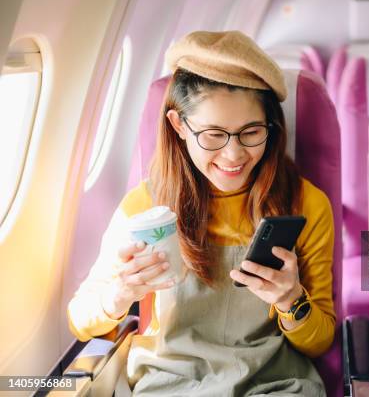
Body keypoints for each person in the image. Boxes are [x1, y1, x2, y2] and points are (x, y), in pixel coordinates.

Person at [67, 31, 335, 396]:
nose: (233, 155)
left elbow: (318, 342)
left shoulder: (307, 204)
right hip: (171, 381)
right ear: (179, 126)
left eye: (251, 133)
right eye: (213, 135)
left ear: (271, 129)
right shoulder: (147, 206)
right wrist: (118, 294)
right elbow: (80, 320)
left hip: (274, 382)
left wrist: (292, 300)